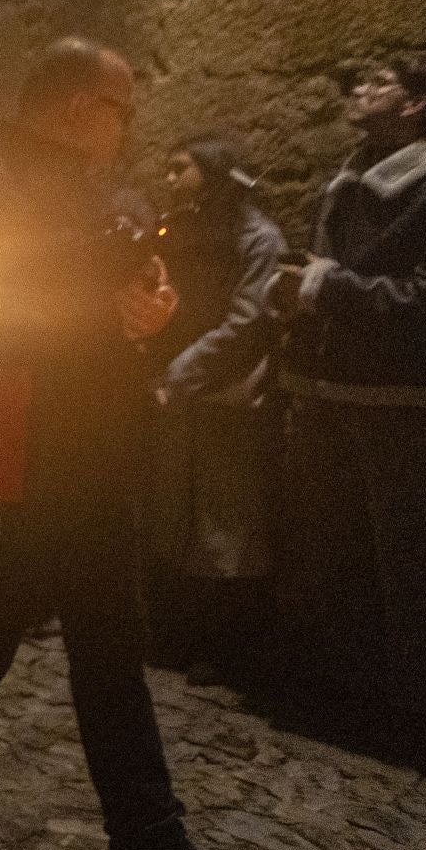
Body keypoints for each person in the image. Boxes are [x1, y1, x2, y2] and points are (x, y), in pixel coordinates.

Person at [0, 38, 271, 850]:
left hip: (95, 458)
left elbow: (126, 292)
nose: (127, 126)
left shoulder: (111, 196)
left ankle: (148, 840)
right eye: (120, 108)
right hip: (10, 455)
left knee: (112, 653)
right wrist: (95, 293)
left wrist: (149, 310)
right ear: (77, 107)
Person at [268, 53, 426, 763]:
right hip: (327, 387)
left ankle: (418, 712)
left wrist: (324, 288)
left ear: (417, 103)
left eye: (377, 82)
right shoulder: (348, 176)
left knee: (407, 562)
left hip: (397, 399)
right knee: (334, 549)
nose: (358, 90)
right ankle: (345, 692)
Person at [144, 135, 285, 683]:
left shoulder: (259, 239)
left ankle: (226, 647)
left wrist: (182, 370)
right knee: (177, 511)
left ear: (214, 171)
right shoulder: (184, 231)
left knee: (227, 520)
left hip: (230, 394)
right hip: (181, 390)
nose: (171, 179)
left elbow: (247, 320)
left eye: (181, 169)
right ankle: (178, 634)